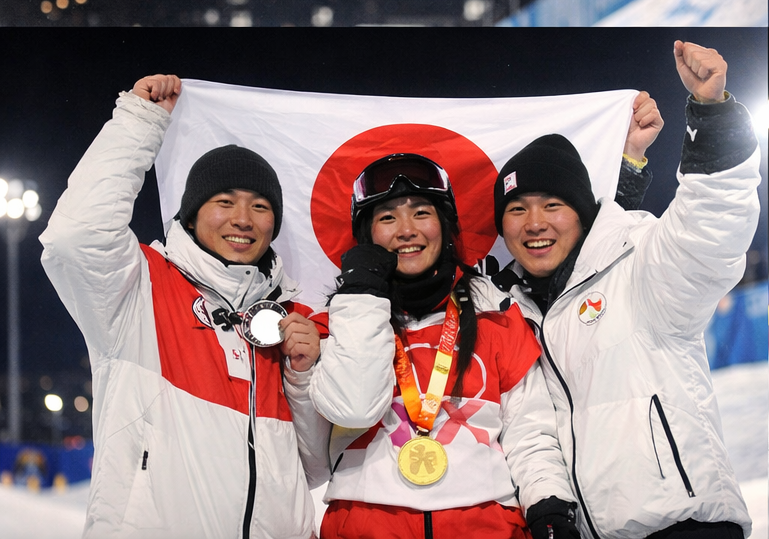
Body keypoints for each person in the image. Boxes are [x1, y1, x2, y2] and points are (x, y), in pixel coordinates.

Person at [39, 74, 330, 538]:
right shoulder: (141, 287)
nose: (242, 219)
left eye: (260, 206)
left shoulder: (284, 322)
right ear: (191, 214)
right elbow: (77, 240)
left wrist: (302, 376)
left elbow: (313, 467)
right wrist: (140, 121)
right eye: (224, 201)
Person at [490, 41, 760, 539]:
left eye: (552, 204)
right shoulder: (516, 311)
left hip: (684, 527)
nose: (533, 223)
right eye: (516, 209)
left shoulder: (639, 266)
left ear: (580, 212)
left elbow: (709, 231)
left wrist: (712, 111)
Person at [307, 151, 577, 539]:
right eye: (387, 217)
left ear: (445, 226)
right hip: (364, 527)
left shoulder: (498, 316)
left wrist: (550, 508)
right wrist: (361, 297)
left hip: (488, 528)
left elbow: (530, 434)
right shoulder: (331, 328)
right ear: (366, 236)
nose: (406, 230)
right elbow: (354, 407)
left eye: (421, 213)